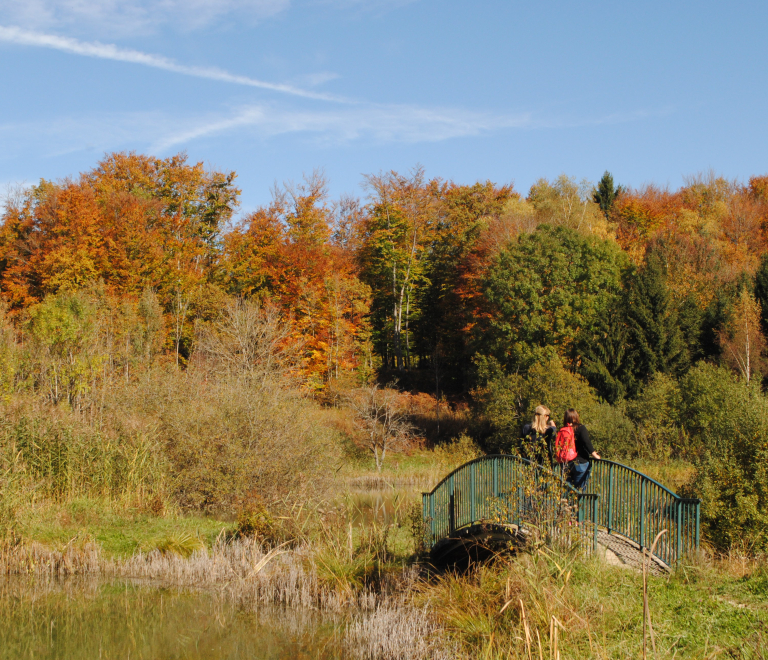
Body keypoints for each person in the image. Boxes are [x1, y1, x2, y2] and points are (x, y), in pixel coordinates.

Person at [562, 408, 600, 491]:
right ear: (576, 417)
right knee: (579, 490)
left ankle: (567, 503)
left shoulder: (564, 430)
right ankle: (577, 504)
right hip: (580, 462)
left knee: (567, 489)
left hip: (567, 463)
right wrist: (595, 455)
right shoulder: (580, 428)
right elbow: (586, 442)